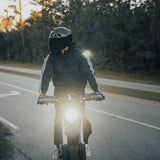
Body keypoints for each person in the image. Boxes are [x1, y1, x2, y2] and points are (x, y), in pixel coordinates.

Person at [38, 27, 105, 159]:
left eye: (55, 41)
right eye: (52, 41)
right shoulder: (51, 57)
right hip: (60, 92)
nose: (52, 44)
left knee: (83, 119)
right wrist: (42, 94)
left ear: (65, 41)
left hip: (78, 92)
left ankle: (85, 143)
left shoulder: (80, 55)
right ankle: (57, 147)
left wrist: (97, 91)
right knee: (58, 120)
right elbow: (46, 74)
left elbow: (89, 72)